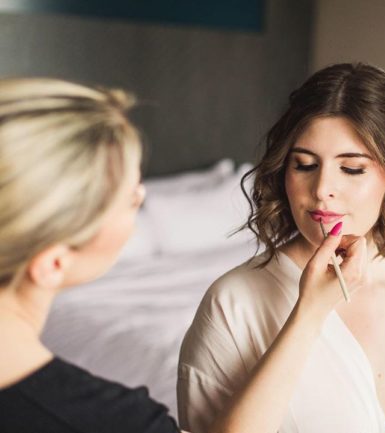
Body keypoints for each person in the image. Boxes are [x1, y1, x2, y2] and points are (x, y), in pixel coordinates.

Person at [0, 77, 356, 433]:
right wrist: (309, 313)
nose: (142, 199)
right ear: (52, 264)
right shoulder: (116, 422)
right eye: (129, 201)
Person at [177, 62, 385, 433]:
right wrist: (309, 313)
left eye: (351, 169)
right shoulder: (233, 303)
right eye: (304, 165)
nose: (321, 189)